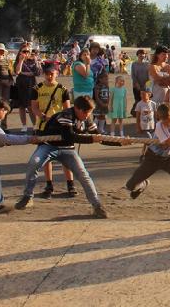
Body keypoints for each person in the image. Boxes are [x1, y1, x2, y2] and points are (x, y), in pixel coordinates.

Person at [15, 96, 108, 218]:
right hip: (49, 146)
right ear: (76, 108)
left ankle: (97, 205)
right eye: (84, 112)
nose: (86, 115)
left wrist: (120, 142)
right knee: (34, 163)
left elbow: (98, 137)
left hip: (67, 149)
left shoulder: (87, 119)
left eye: (89, 113)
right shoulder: (66, 115)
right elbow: (68, 136)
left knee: (83, 174)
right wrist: (91, 139)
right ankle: (28, 197)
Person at [30, 62, 75, 199]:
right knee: (46, 158)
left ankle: (70, 185)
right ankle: (49, 185)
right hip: (43, 127)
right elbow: (34, 107)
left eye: (52, 74)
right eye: (47, 74)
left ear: (57, 74)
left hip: (60, 127)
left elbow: (67, 110)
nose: (49, 76)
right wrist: (43, 116)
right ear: (44, 74)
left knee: (66, 156)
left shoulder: (62, 89)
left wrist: (58, 120)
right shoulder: (37, 88)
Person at [13, 43, 42, 134]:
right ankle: (24, 125)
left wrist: (36, 61)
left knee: (31, 106)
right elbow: (17, 71)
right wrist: (21, 60)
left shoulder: (33, 60)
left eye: (28, 51)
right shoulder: (18, 60)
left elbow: (37, 73)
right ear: (20, 52)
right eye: (24, 51)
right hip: (21, 84)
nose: (26, 53)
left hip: (31, 84)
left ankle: (34, 125)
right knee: (21, 106)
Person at [129, 49, 150, 117]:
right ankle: (134, 112)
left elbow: (149, 76)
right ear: (137, 55)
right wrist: (136, 84)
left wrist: (147, 85)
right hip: (136, 85)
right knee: (137, 99)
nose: (141, 55)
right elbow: (133, 75)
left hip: (145, 85)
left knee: (145, 100)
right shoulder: (134, 64)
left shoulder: (147, 64)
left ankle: (143, 113)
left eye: (143, 54)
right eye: (140, 54)